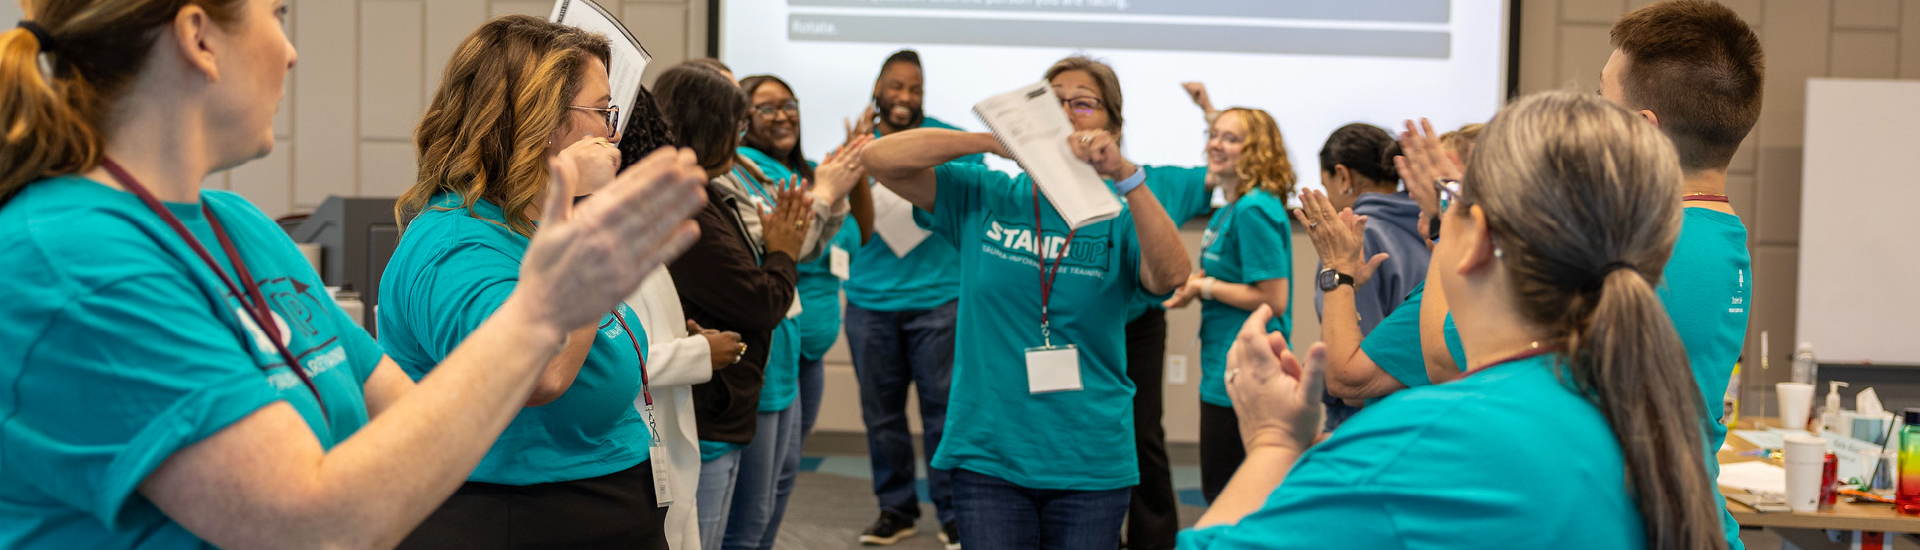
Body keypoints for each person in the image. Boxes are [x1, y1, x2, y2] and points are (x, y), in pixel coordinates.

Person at [0, 3, 705, 548]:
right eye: (277, 19)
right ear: (199, 37)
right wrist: (545, 311)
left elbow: (414, 417)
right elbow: (313, 526)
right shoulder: (77, 260)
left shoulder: (235, 225)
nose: (292, 51)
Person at [1187, 89, 1726, 550]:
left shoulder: (1415, 444)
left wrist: (1275, 444)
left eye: (1448, 201)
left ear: (1479, 240)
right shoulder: (1659, 418)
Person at [380, 16, 694, 548]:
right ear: (542, 121)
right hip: (518, 512)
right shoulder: (456, 245)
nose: (612, 131)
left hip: (595, 493)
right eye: (601, 111)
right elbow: (536, 377)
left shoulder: (530, 224)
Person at [863, 54, 1192, 550]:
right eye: (1052, 103)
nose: (1065, 113)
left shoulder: (1120, 215)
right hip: (990, 453)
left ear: (1112, 125)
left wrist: (1125, 174)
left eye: (1083, 104)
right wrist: (997, 141)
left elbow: (1171, 276)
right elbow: (880, 159)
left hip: (1090, 458)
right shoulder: (984, 194)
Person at [1601, 3, 1763, 547]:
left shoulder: (1646, 250)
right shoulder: (1719, 235)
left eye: (1604, 105)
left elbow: (1445, 354)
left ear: (1644, 132)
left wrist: (1458, 224)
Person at [650, 63, 807, 550]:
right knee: (718, 536)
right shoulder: (684, 207)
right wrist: (782, 250)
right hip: (707, 412)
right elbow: (760, 303)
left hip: (723, 402)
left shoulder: (704, 191)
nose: (740, 140)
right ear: (708, 127)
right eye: (735, 126)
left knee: (744, 526)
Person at [838, 49, 981, 548]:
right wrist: (852, 158)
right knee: (882, 417)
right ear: (878, 87)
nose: (905, 97)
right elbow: (838, 220)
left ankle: (953, 513)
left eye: (914, 88)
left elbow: (975, 192)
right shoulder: (855, 144)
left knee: (944, 413)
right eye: (896, 86)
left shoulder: (941, 139)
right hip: (869, 303)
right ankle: (895, 510)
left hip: (941, 301)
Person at [733, 72, 874, 550]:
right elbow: (797, 247)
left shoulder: (811, 173)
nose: (783, 115)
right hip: (772, 350)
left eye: (788, 104)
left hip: (803, 356)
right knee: (756, 491)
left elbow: (855, 236)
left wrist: (852, 173)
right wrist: (828, 200)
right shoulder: (748, 170)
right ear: (741, 119)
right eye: (767, 107)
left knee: (784, 474)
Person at [617, 83, 747, 550]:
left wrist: (683, 336)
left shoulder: (634, 221)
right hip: (631, 441)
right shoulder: (599, 229)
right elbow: (601, 358)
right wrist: (695, 352)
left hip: (659, 432)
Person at [1160, 107, 1296, 505]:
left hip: (1247, 369)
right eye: (1214, 134)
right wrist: (1195, 286)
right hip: (1221, 365)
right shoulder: (1229, 209)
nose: (1216, 144)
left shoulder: (1254, 209)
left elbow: (1274, 299)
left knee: (1230, 498)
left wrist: (1208, 288)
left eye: (1231, 138)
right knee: (1218, 490)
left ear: (1257, 150)